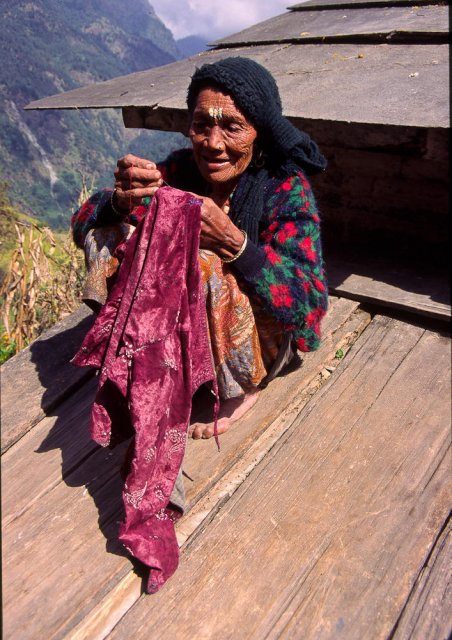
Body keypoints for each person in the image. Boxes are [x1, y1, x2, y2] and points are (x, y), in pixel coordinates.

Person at [71, 56, 328, 440]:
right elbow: (83, 224)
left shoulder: (284, 188)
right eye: (201, 125)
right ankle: (137, 351)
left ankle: (242, 387)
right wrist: (121, 200)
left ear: (259, 131)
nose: (213, 143)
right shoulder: (181, 172)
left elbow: (309, 304)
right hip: (194, 322)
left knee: (204, 257)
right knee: (111, 235)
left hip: (264, 338)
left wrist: (236, 244)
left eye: (232, 127)